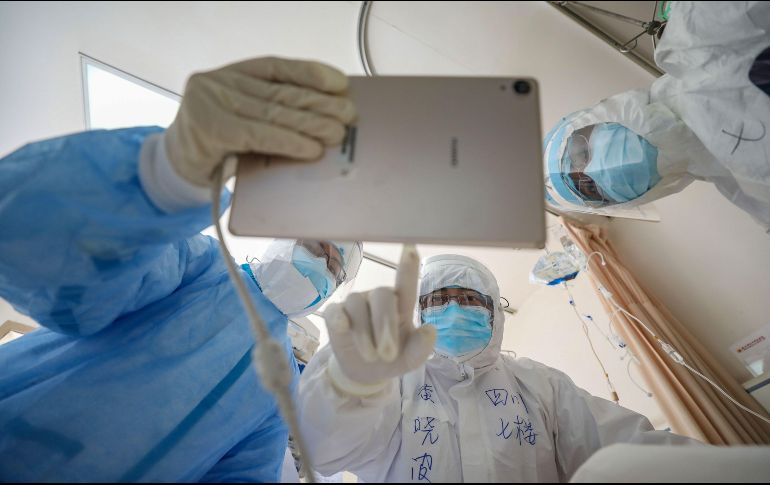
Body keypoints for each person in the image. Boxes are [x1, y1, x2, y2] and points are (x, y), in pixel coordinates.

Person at [0, 56, 362, 481]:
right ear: (282, 238)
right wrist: (162, 177)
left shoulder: (279, 392)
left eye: (334, 270)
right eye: (316, 247)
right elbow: (47, 264)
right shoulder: (198, 266)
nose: (321, 265)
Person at [298, 250, 698, 482]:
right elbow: (324, 450)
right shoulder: (395, 384)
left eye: (470, 299)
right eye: (439, 300)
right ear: (418, 313)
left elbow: (627, 451)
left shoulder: (540, 384)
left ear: (495, 314)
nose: (454, 308)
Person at [543, 1, 770, 231]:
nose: (594, 170)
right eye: (590, 187)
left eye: (580, 154)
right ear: (622, 202)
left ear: (595, 118)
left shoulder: (697, 33)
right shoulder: (755, 198)